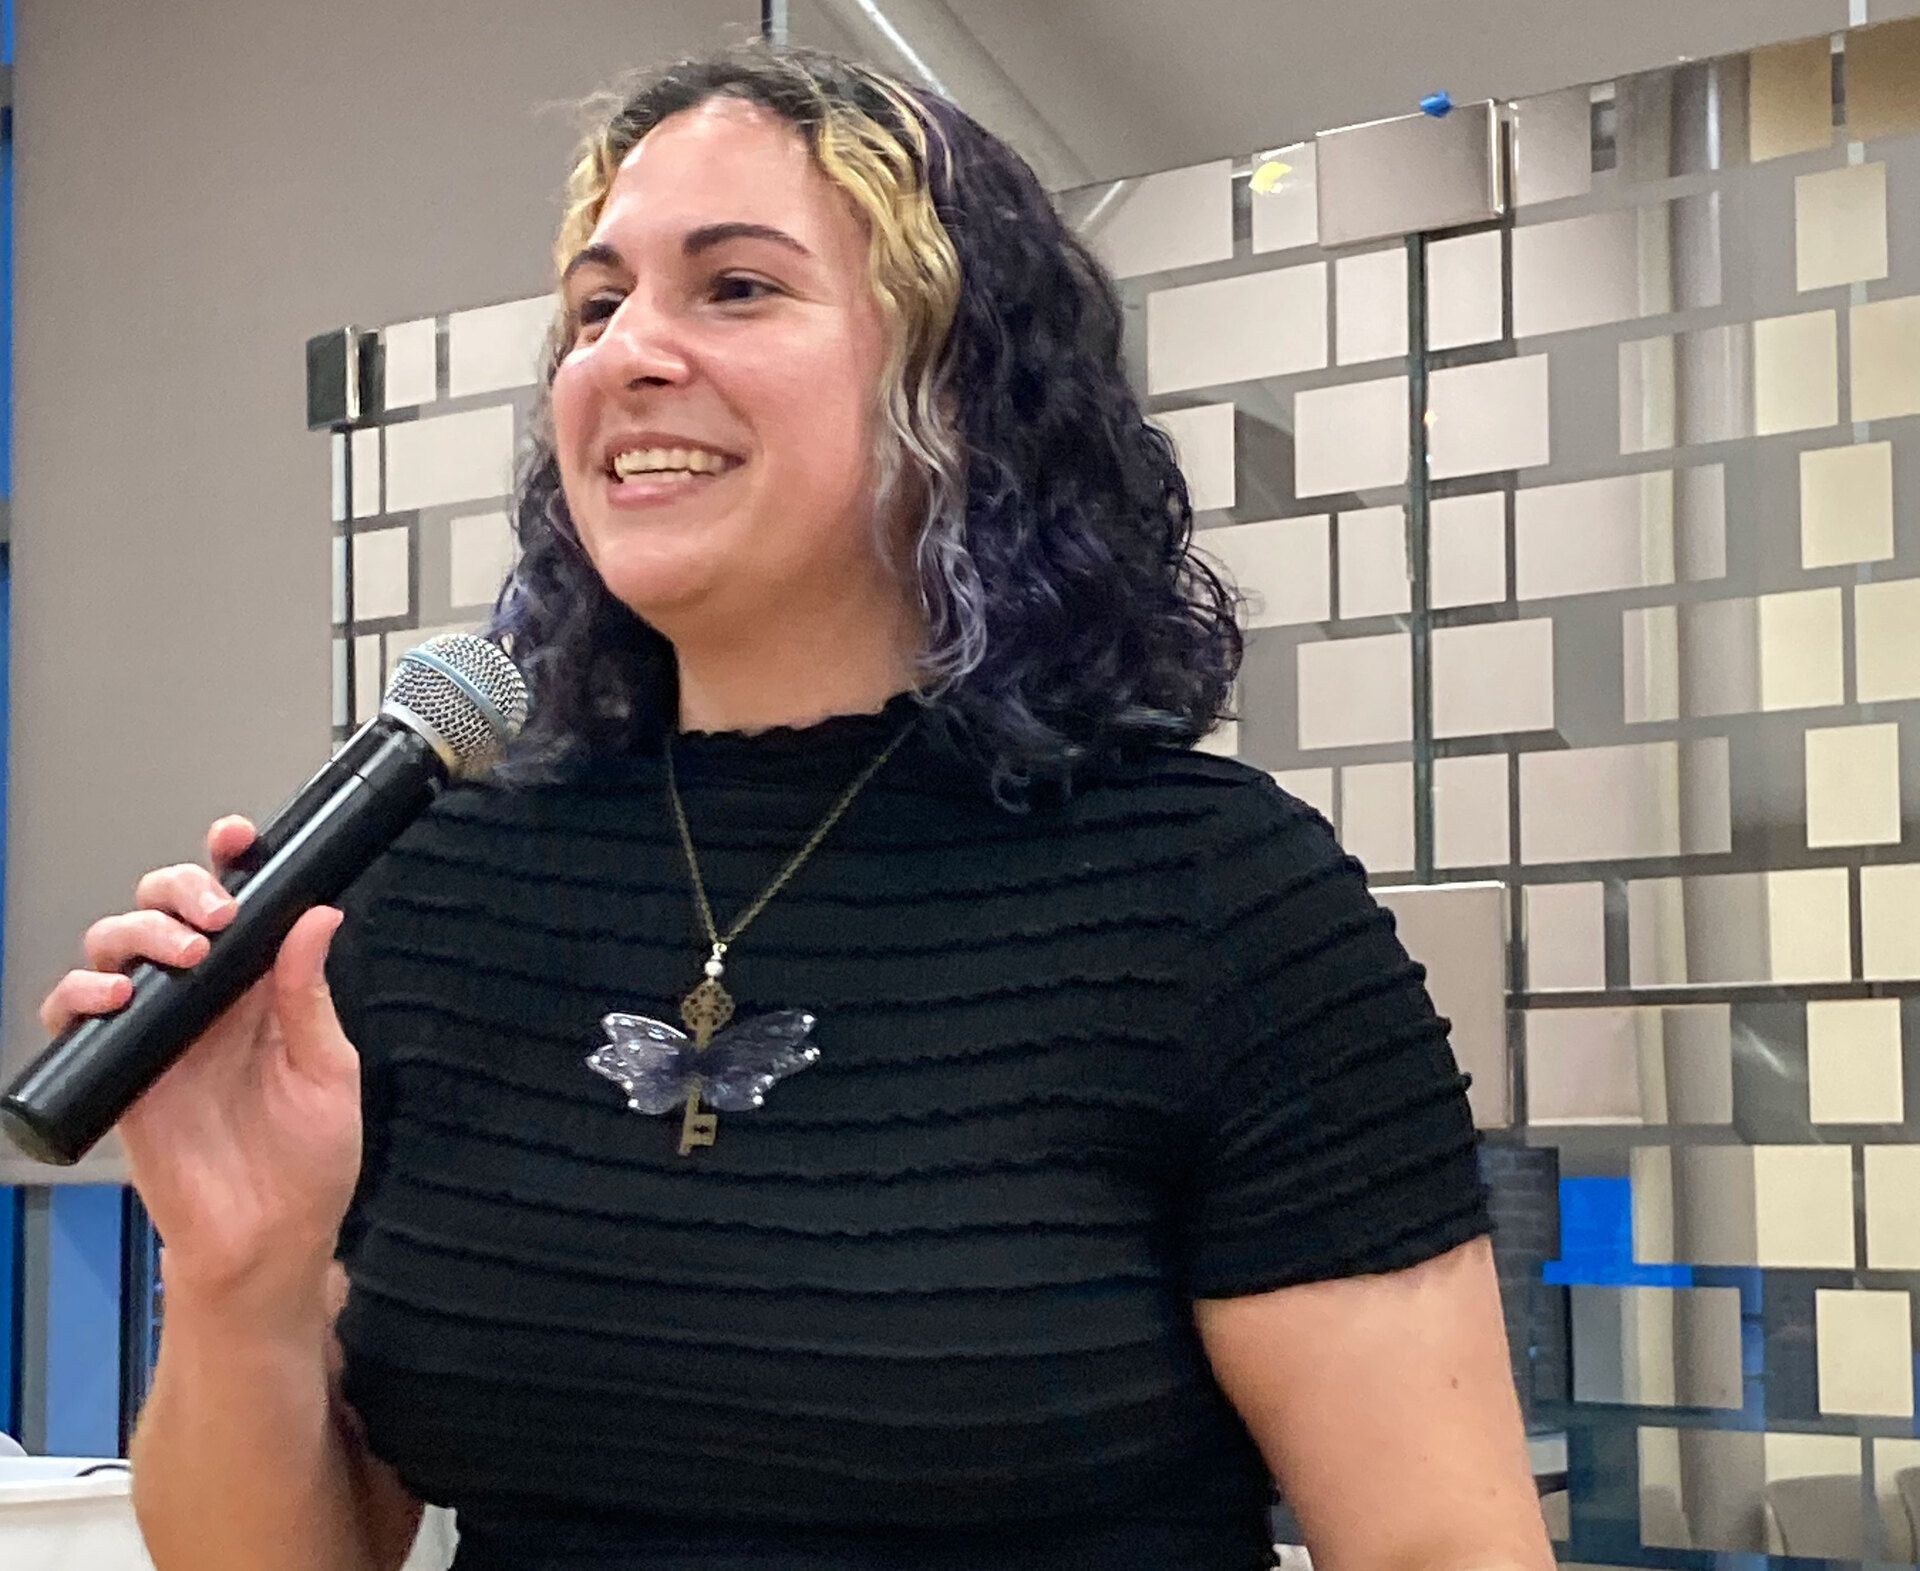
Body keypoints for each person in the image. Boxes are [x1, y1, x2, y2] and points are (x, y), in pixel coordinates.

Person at [40, 43, 1552, 1571]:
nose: (628, 353)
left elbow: (1439, 1549)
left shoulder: (1211, 897)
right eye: (596, 305)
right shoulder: (436, 890)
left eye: (737, 287)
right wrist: (241, 1273)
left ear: (957, 388)